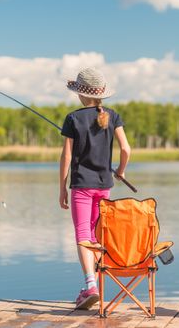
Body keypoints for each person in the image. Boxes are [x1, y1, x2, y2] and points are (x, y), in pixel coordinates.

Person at [59, 67, 131, 310]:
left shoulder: (73, 118)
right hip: (104, 186)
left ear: (80, 94)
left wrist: (62, 187)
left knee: (82, 233)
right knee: (96, 234)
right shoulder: (112, 115)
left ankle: (90, 285)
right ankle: (95, 285)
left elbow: (66, 156)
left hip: (81, 185)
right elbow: (126, 149)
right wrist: (120, 171)